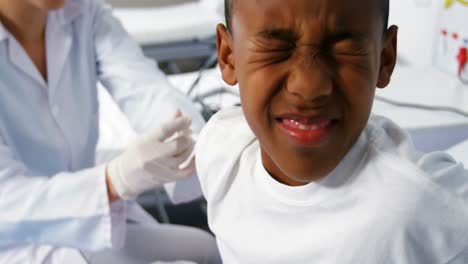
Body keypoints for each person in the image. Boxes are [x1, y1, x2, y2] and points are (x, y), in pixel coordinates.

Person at [195, 0, 468, 263]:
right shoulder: (221, 153)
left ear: (384, 59)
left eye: (344, 48)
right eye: (275, 47)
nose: (309, 86)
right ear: (228, 57)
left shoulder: (426, 207)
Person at [0, 0, 220, 263]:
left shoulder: (83, 12)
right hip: (13, 243)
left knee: (208, 251)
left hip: (86, 226)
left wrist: (199, 150)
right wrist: (113, 181)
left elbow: (146, 91)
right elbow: (7, 201)